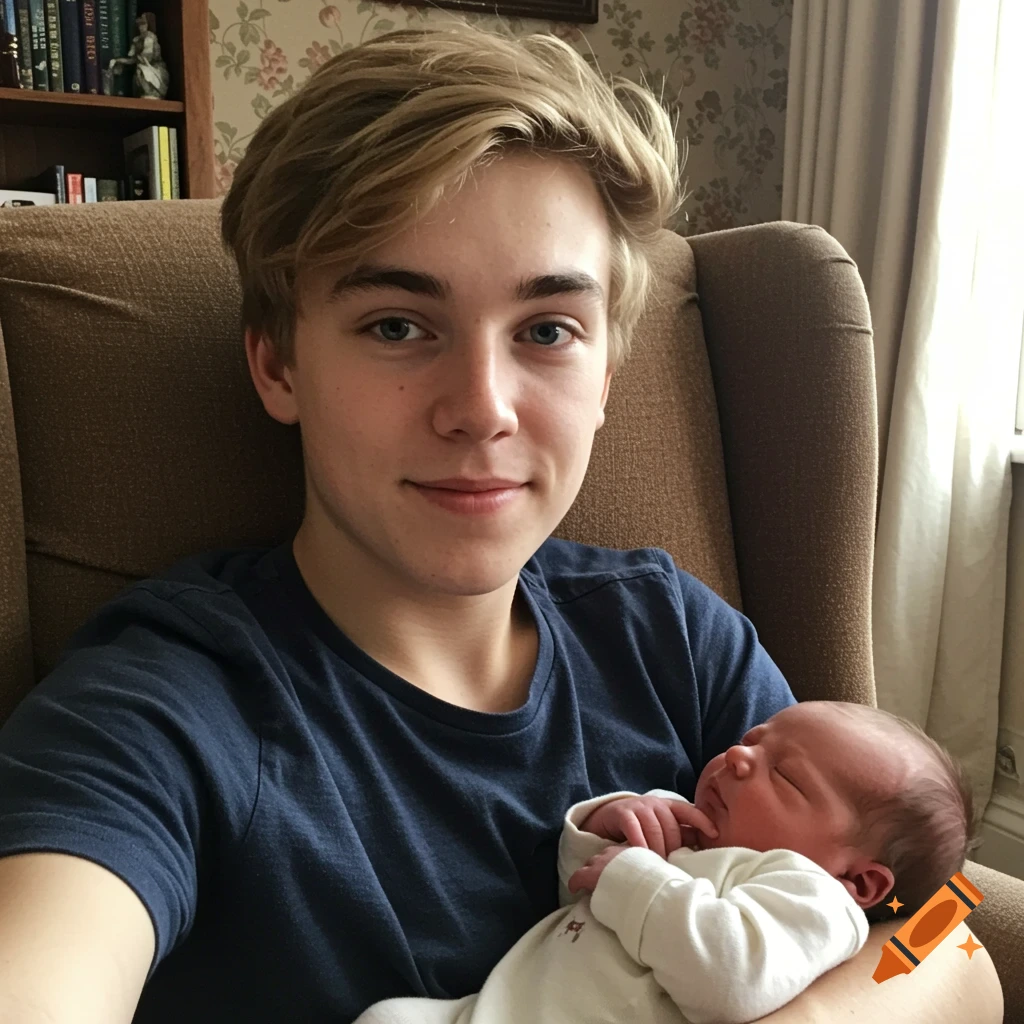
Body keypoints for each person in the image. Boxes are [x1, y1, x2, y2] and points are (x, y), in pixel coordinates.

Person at [0, 22, 1000, 1024]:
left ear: (606, 372)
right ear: (277, 363)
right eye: (398, 324)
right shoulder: (167, 702)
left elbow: (945, 918)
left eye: (546, 330)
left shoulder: (673, 636)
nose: (482, 407)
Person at [353, 700, 977, 1024]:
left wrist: (637, 877)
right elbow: (581, 895)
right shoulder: (690, 831)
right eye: (755, 739)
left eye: (785, 776)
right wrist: (604, 827)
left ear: (861, 880)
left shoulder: (814, 899)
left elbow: (729, 977)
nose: (736, 755)